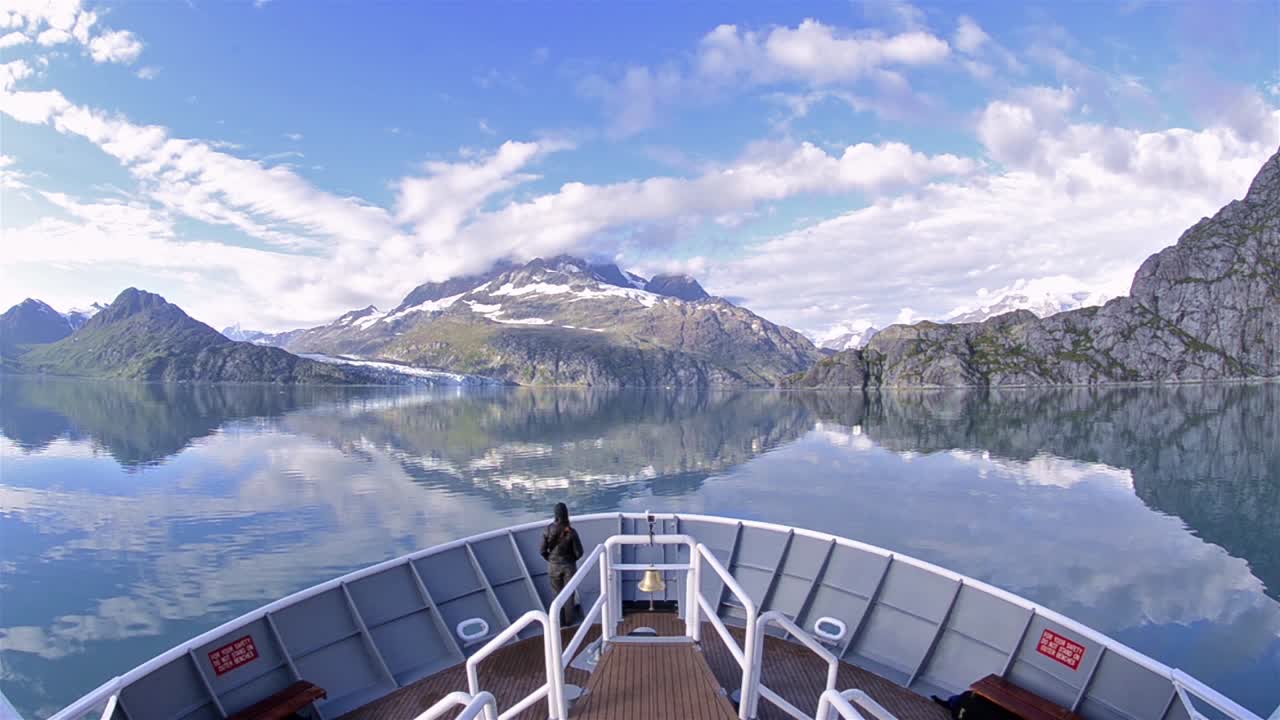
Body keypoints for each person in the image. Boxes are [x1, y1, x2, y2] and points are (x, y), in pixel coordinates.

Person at [540, 502, 584, 625]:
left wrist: (550, 559)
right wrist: (571, 560)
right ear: (566, 514)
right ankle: (570, 621)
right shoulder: (571, 531)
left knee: (556, 593)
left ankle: (559, 621)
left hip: (553, 566)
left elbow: (542, 550)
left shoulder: (547, 529)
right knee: (569, 594)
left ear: (555, 514)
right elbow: (579, 552)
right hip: (569, 566)